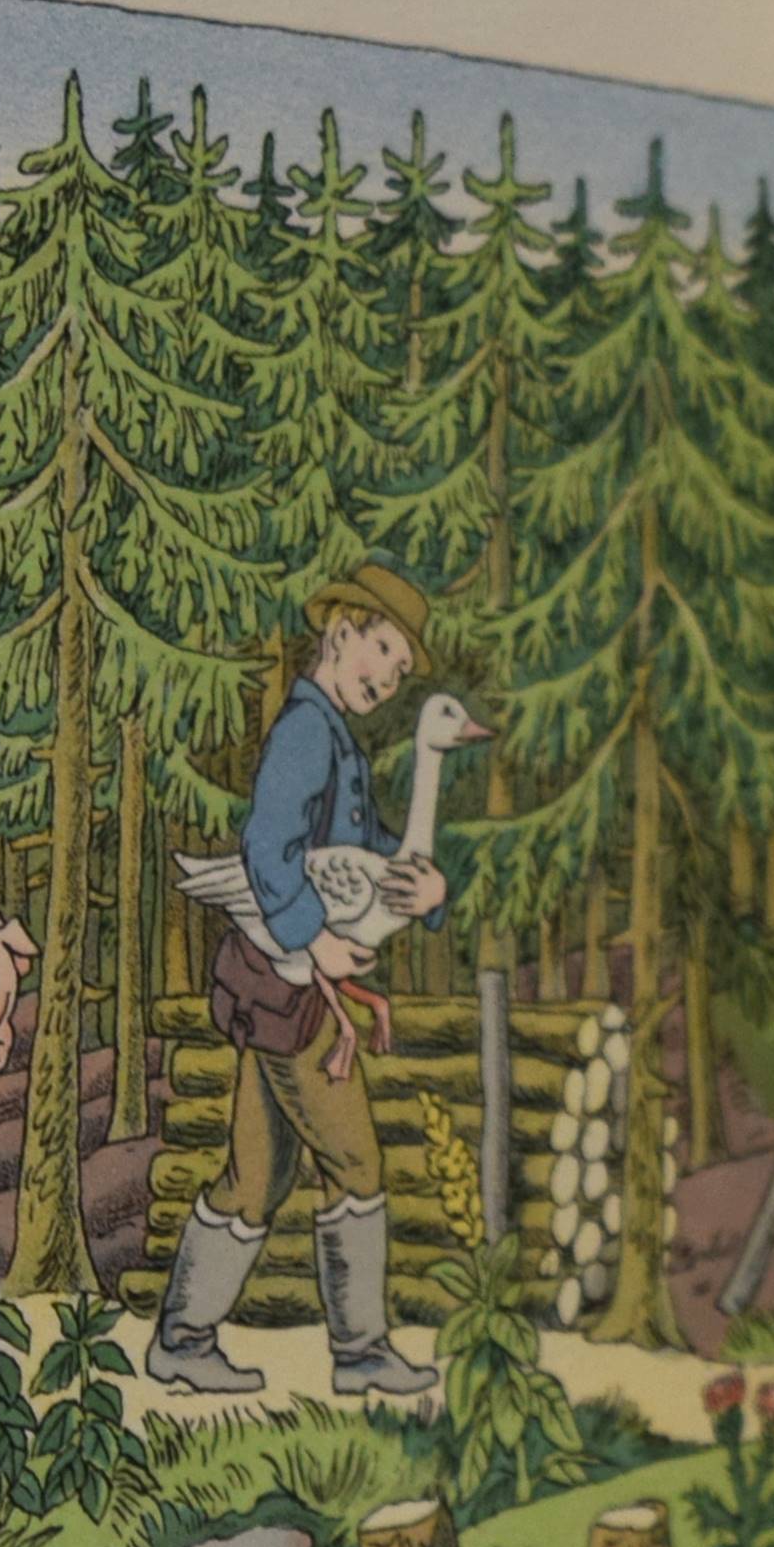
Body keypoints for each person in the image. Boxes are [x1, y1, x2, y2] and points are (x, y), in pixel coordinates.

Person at [145, 566, 448, 1401]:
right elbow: (267, 847)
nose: (387, 679)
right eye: (382, 653)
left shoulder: (334, 736)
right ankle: (361, 1351)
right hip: (294, 993)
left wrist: (425, 889)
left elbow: (357, 849)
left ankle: (181, 1338)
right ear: (341, 632)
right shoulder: (308, 732)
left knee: (254, 1178)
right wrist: (315, 940)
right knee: (356, 1161)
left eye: (399, 673)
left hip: (276, 990)